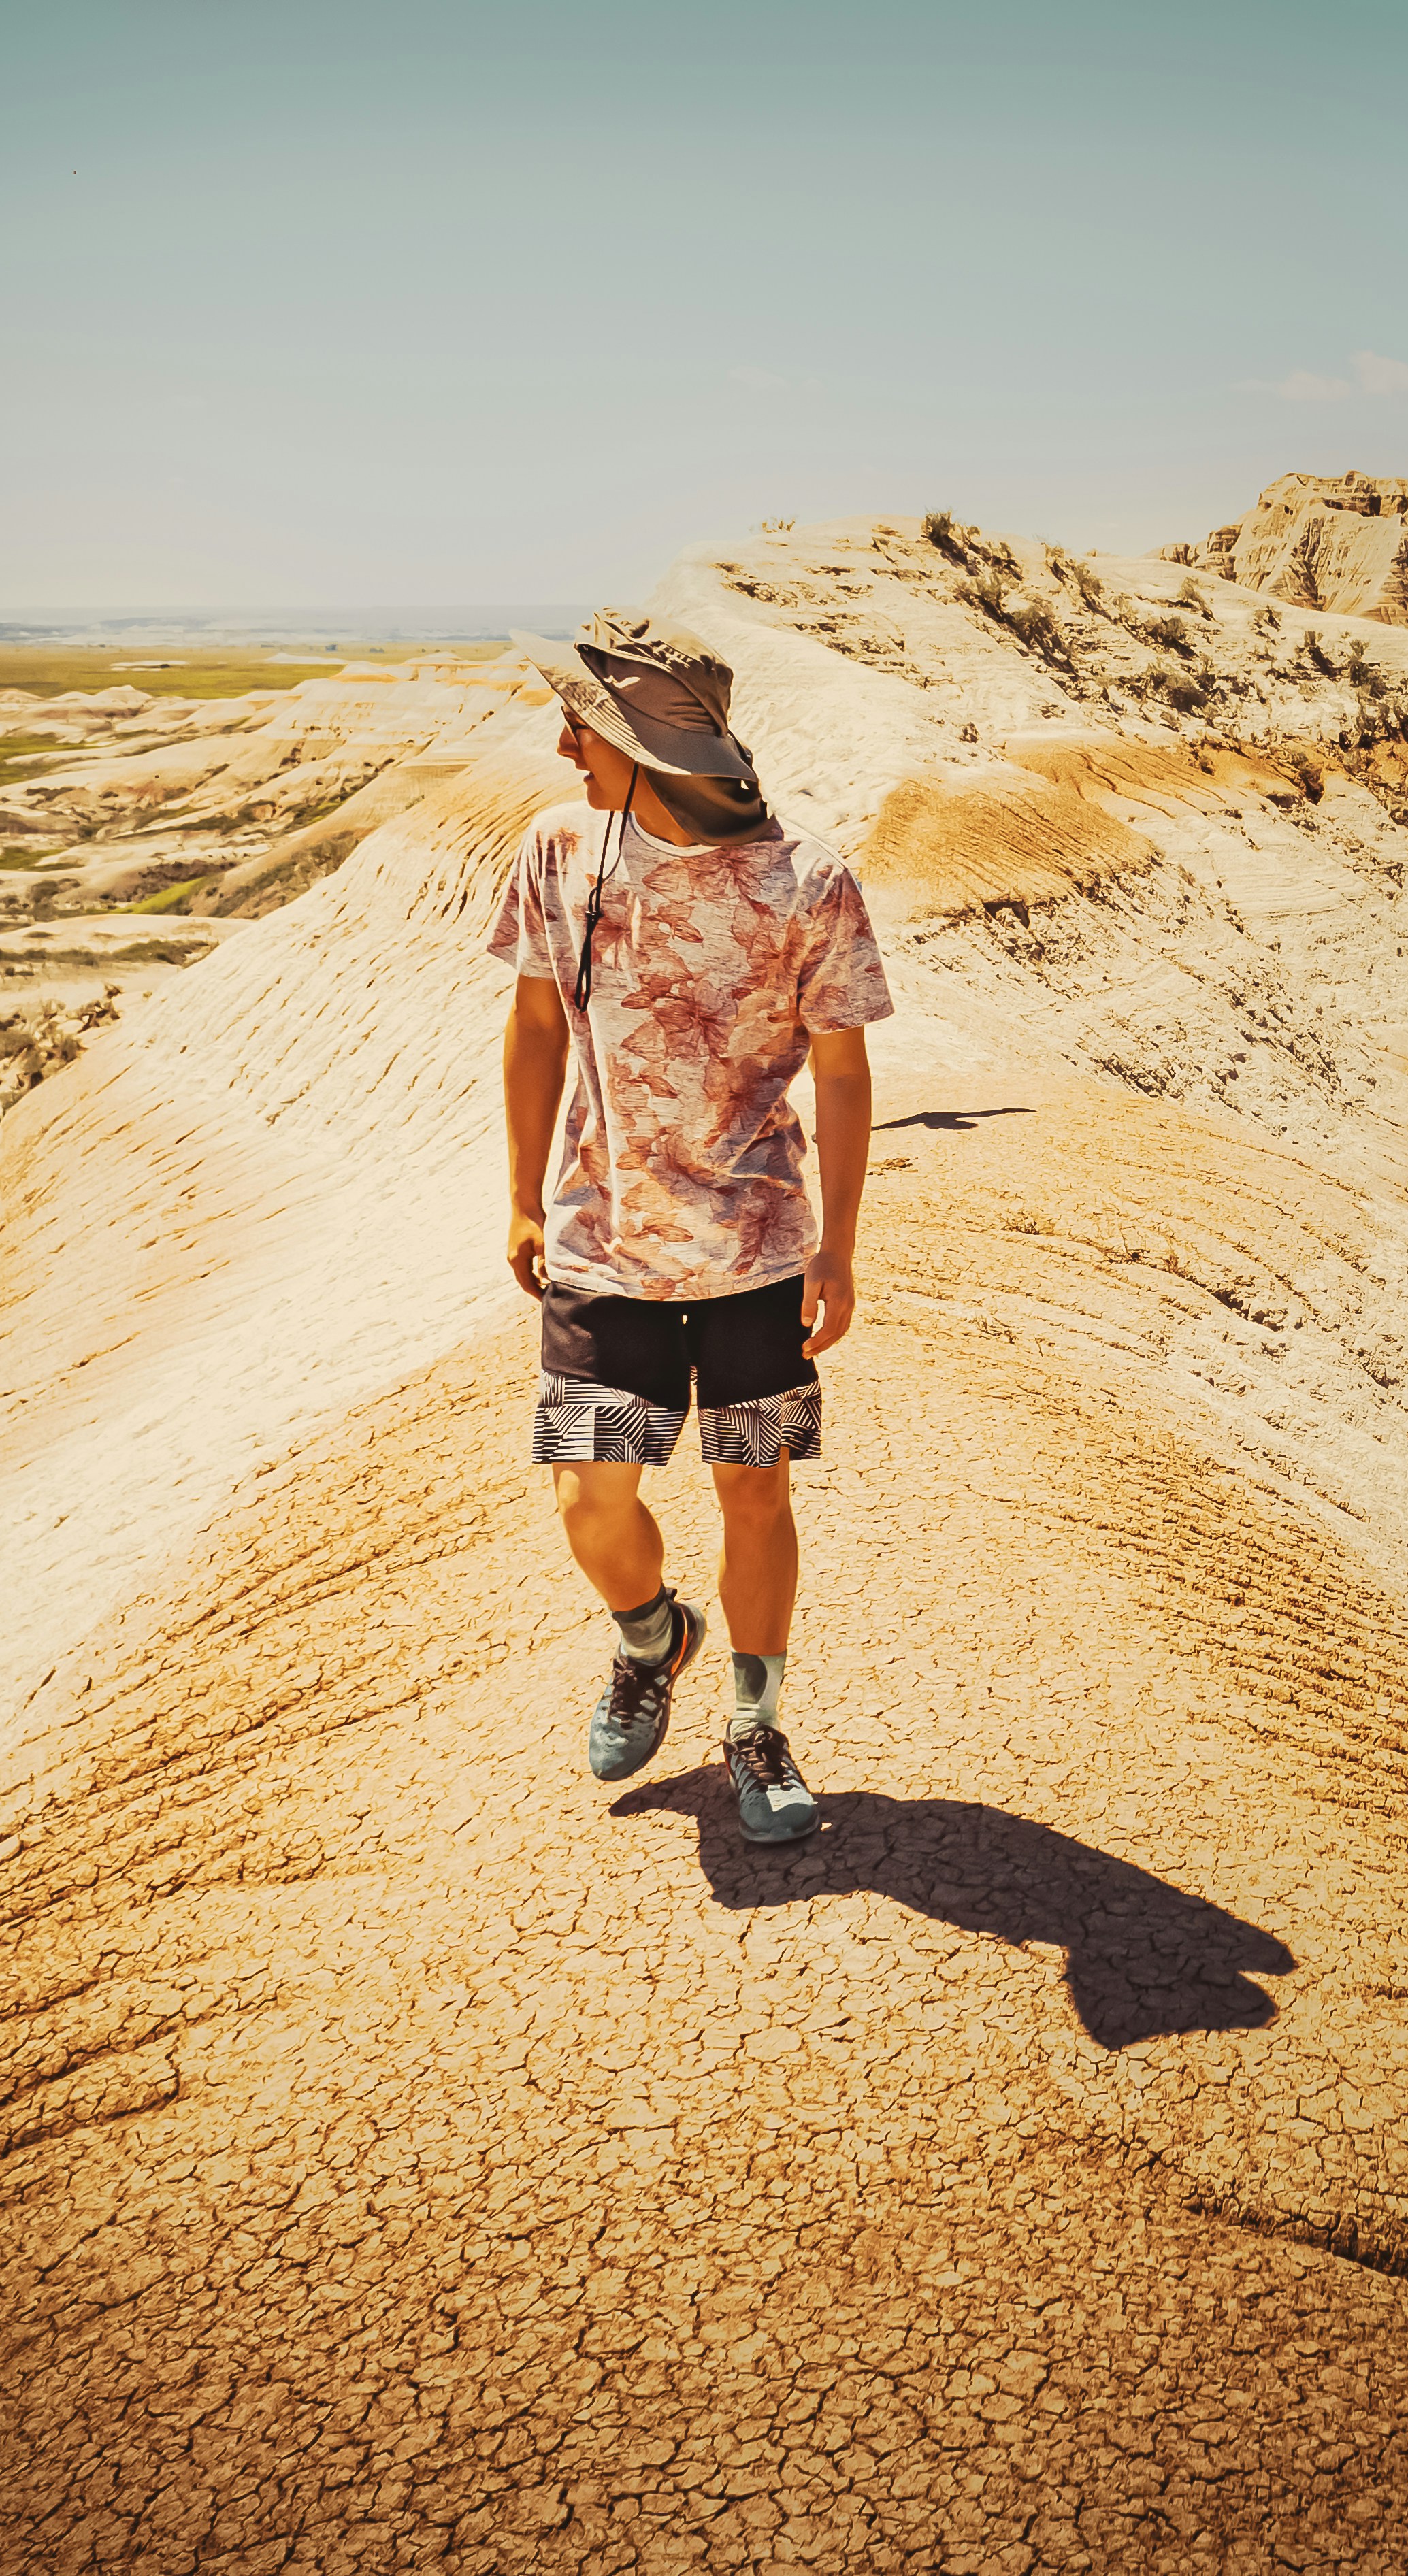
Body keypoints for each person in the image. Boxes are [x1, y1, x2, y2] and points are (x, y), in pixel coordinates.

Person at [491, 612, 891, 1844]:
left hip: (758, 1253)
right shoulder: (561, 851)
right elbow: (539, 1026)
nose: (563, 744)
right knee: (588, 1501)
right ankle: (653, 1636)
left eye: (586, 724)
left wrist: (838, 1245)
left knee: (752, 1491)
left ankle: (755, 1725)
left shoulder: (806, 882)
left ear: (651, 747)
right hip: (604, 1242)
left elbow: (841, 1073)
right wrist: (517, 1192)